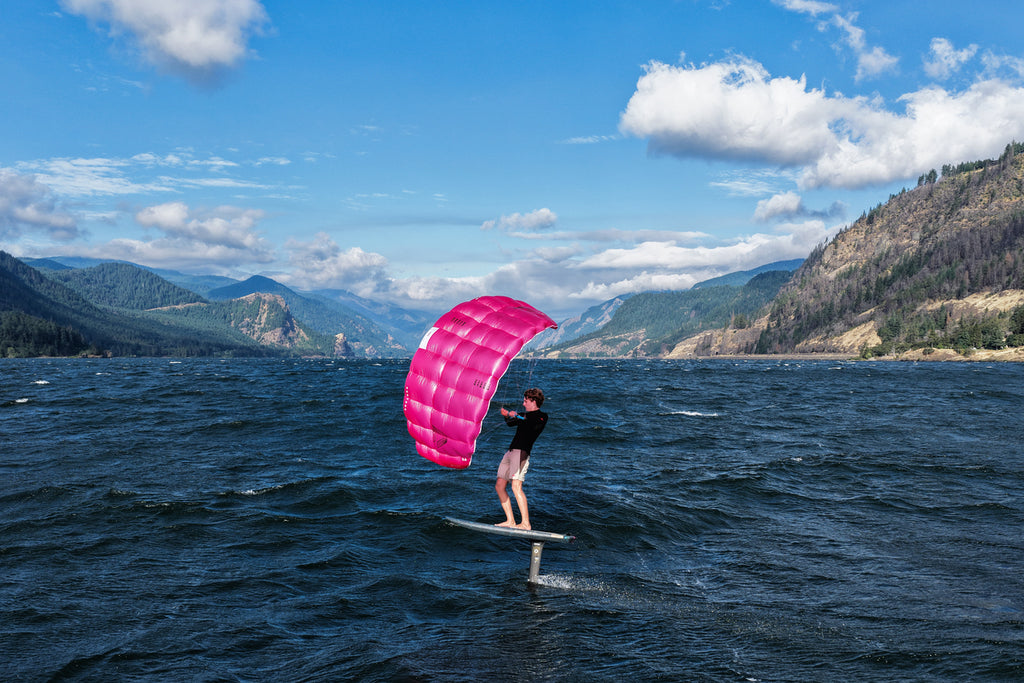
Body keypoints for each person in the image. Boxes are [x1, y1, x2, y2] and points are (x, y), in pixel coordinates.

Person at [495, 387, 548, 529]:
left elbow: (531, 422)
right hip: (510, 452)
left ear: (533, 401)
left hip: (521, 453)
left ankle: (525, 523)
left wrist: (516, 415)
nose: (523, 404)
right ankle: (510, 521)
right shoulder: (524, 416)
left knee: (516, 486)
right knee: (499, 485)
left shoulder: (542, 416)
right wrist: (507, 416)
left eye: (525, 401)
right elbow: (510, 424)